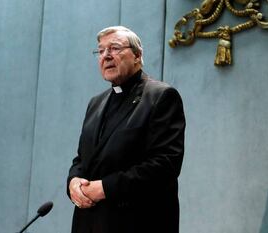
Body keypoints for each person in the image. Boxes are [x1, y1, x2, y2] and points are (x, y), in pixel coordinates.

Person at [67, 26, 186, 233]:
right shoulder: (96, 103)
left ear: (138, 55)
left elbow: (165, 165)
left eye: (114, 48)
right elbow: (82, 159)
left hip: (137, 222)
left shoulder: (160, 97)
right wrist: (73, 182)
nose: (106, 56)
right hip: (89, 223)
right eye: (101, 51)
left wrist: (105, 188)